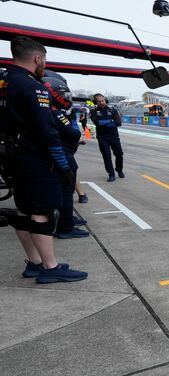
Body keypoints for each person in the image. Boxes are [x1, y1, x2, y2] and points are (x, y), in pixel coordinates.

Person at [0, 36, 87, 283]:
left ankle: (35, 262)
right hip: (34, 158)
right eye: (44, 61)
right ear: (37, 58)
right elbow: (47, 131)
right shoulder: (33, 86)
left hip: (10, 156)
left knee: (23, 209)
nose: (44, 65)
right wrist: (63, 164)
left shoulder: (4, 81)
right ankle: (50, 267)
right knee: (42, 212)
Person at [43, 71, 89, 239]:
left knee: (63, 190)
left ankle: (66, 219)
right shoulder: (55, 112)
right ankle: (66, 227)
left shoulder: (49, 110)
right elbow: (73, 133)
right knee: (66, 191)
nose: (65, 98)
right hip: (62, 154)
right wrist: (72, 119)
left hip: (60, 153)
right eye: (63, 95)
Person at [90, 93, 123, 182]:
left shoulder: (113, 110)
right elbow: (97, 123)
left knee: (119, 154)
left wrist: (105, 123)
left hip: (114, 136)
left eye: (103, 101)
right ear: (96, 102)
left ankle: (119, 169)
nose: (101, 103)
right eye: (99, 101)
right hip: (102, 137)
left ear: (105, 100)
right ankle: (111, 174)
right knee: (106, 155)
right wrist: (111, 120)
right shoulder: (93, 111)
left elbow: (118, 123)